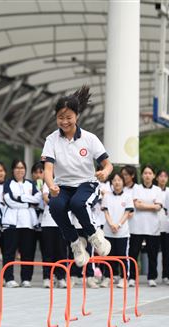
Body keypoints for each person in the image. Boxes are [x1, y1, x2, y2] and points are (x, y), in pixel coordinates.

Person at [42, 86, 113, 268]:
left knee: (77, 204)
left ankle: (95, 236)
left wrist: (104, 172)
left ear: (77, 116)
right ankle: (76, 242)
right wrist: (51, 186)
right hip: (62, 185)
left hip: (86, 183)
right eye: (60, 118)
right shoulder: (51, 139)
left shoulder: (89, 138)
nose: (64, 122)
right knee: (56, 206)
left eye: (68, 117)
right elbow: (48, 169)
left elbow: (108, 164)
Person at [1, 159, 41, 288]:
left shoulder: (30, 184)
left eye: (22, 168)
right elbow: (9, 200)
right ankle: (9, 278)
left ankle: (26, 279)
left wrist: (20, 197)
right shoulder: (8, 183)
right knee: (9, 252)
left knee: (28, 252)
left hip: (28, 224)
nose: (19, 170)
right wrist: (28, 203)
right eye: (17, 168)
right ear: (13, 170)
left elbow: (38, 198)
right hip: (12, 223)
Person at [130, 165, 164, 287]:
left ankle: (152, 277)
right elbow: (136, 205)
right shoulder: (136, 188)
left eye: (150, 173)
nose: (147, 175)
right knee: (134, 253)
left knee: (152, 253)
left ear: (153, 175)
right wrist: (151, 206)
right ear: (142, 175)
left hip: (153, 227)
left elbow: (158, 207)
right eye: (145, 173)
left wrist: (143, 205)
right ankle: (132, 277)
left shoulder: (157, 190)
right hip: (137, 226)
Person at [102, 172, 133, 288]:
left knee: (122, 256)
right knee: (109, 255)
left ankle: (124, 278)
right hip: (108, 231)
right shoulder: (107, 196)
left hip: (122, 232)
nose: (117, 182)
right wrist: (111, 225)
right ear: (111, 183)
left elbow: (127, 213)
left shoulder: (128, 196)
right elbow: (106, 212)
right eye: (114, 180)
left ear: (123, 182)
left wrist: (118, 225)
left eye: (119, 180)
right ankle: (107, 277)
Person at [40, 183, 68, 288]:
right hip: (48, 222)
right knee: (48, 251)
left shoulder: (67, 182)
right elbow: (46, 199)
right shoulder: (48, 183)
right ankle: (47, 277)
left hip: (63, 222)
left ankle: (61, 277)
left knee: (61, 251)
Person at [156, 169, 169, 283]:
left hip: (167, 226)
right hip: (154, 226)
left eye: (165, 176)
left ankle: (166, 274)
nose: (163, 178)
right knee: (154, 251)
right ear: (157, 178)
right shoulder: (154, 190)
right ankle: (153, 275)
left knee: (167, 252)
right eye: (160, 176)